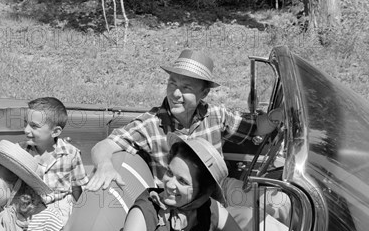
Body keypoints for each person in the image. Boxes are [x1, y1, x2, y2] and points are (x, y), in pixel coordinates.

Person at [85, 49, 283, 199]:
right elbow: (104, 145)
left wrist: (278, 116)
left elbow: (256, 126)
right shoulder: (151, 124)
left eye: (186, 87)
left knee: (274, 205)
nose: (175, 94)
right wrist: (104, 165)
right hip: (175, 206)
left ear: (204, 94)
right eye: (172, 84)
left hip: (215, 198)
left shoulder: (215, 115)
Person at [114, 135, 253, 231]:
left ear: (203, 192)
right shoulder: (144, 214)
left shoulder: (212, 210)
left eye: (182, 181)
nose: (169, 184)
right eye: (169, 172)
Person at [20, 97, 89, 223]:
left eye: (34, 126)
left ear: (55, 132)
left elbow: (78, 187)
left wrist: (80, 218)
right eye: (25, 123)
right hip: (30, 215)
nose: (26, 130)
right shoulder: (21, 152)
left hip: (60, 214)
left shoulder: (71, 154)